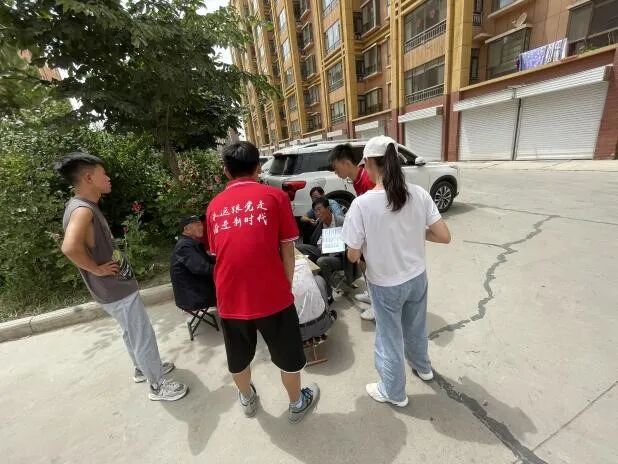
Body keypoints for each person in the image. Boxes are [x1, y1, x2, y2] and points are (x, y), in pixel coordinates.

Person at [56, 152, 188, 402]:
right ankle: (157, 385)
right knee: (141, 334)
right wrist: (96, 269)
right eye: (103, 174)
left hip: (113, 287)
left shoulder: (84, 206)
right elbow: (69, 247)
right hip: (115, 288)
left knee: (131, 331)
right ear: (88, 178)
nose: (108, 178)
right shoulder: (82, 211)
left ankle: (142, 368)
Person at [206, 141, 319, 424]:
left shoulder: (214, 206)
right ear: (258, 167)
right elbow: (287, 249)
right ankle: (297, 403)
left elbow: (220, 254)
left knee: (238, 357)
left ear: (225, 171)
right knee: (288, 355)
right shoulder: (274, 197)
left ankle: (247, 398)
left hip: (230, 299)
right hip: (273, 296)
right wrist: (286, 287)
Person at [341, 136, 451, 407]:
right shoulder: (419, 193)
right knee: (416, 326)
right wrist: (414, 233)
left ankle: (394, 392)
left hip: (385, 284)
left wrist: (365, 246)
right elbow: (444, 236)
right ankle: (422, 367)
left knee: (389, 339)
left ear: (369, 163)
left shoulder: (362, 204)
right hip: (417, 278)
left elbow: (353, 254)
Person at [329, 143, 377, 320]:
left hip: (373, 236)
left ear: (346, 162)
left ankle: (377, 306)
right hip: (365, 234)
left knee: (371, 269)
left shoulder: (368, 180)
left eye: (336, 168)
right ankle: (371, 295)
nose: (336, 173)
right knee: (364, 266)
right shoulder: (357, 179)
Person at [296, 197, 345, 299]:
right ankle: (308, 285)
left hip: (338, 257)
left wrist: (341, 244)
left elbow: (351, 243)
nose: (317, 213)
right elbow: (314, 241)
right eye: (315, 211)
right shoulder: (321, 223)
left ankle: (328, 294)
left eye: (319, 209)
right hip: (322, 251)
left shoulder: (341, 222)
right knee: (299, 247)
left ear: (328, 209)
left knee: (321, 261)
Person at [170, 215, 216, 312]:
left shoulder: (190, 243)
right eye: (197, 225)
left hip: (196, 290)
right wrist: (224, 269)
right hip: (194, 297)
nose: (201, 227)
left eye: (201, 225)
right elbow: (202, 268)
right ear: (186, 229)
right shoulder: (184, 246)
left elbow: (206, 260)